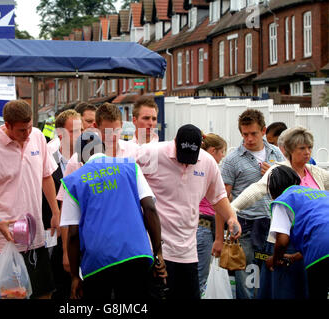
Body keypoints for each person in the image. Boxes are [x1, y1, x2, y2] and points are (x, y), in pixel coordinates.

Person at [135, 124, 242, 300]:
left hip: (187, 251)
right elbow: (124, 173)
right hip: (155, 249)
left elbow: (218, 196)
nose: (185, 162)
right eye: (182, 155)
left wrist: (231, 217)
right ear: (175, 142)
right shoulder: (150, 154)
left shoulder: (207, 162)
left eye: (191, 157)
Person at [0, 99, 61, 299]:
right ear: (7, 125)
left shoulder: (37, 136)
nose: (27, 134)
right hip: (5, 242)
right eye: (21, 130)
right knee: (12, 297)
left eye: (29, 127)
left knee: (44, 294)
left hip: (36, 240)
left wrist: (55, 211)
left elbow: (46, 176)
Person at [60, 131, 167, 299]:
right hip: (137, 253)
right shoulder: (130, 166)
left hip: (97, 261)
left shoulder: (73, 181)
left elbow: (73, 234)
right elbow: (150, 209)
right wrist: (158, 252)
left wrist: (75, 277)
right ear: (104, 148)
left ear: (80, 158)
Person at [231, 126, 329, 299]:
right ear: (289, 150)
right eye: (302, 148)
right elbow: (255, 190)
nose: (307, 152)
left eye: (309, 148)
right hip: (289, 241)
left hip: (311, 242)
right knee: (286, 290)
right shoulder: (278, 172)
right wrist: (232, 210)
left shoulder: (316, 172)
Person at [219, 109, 285, 299]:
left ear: (263, 130)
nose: (249, 139)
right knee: (246, 279)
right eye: (244, 134)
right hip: (246, 225)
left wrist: (274, 174)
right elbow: (223, 197)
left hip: (273, 224)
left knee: (269, 277)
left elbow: (287, 189)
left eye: (253, 133)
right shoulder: (232, 159)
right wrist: (222, 232)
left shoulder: (276, 154)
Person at [266, 165, 329, 299]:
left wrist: (275, 259)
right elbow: (319, 227)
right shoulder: (321, 194)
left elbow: (282, 241)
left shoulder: (283, 199)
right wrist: (295, 257)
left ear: (273, 189)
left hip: (322, 252)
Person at [42, 109, 82, 299]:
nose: (81, 134)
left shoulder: (89, 161)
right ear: (61, 135)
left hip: (82, 238)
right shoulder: (47, 162)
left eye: (82, 129)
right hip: (53, 240)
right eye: (75, 130)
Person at [196, 133, 227, 295]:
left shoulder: (194, 167)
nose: (223, 157)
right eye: (222, 152)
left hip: (193, 226)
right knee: (201, 279)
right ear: (213, 151)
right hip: (204, 226)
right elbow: (220, 201)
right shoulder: (210, 171)